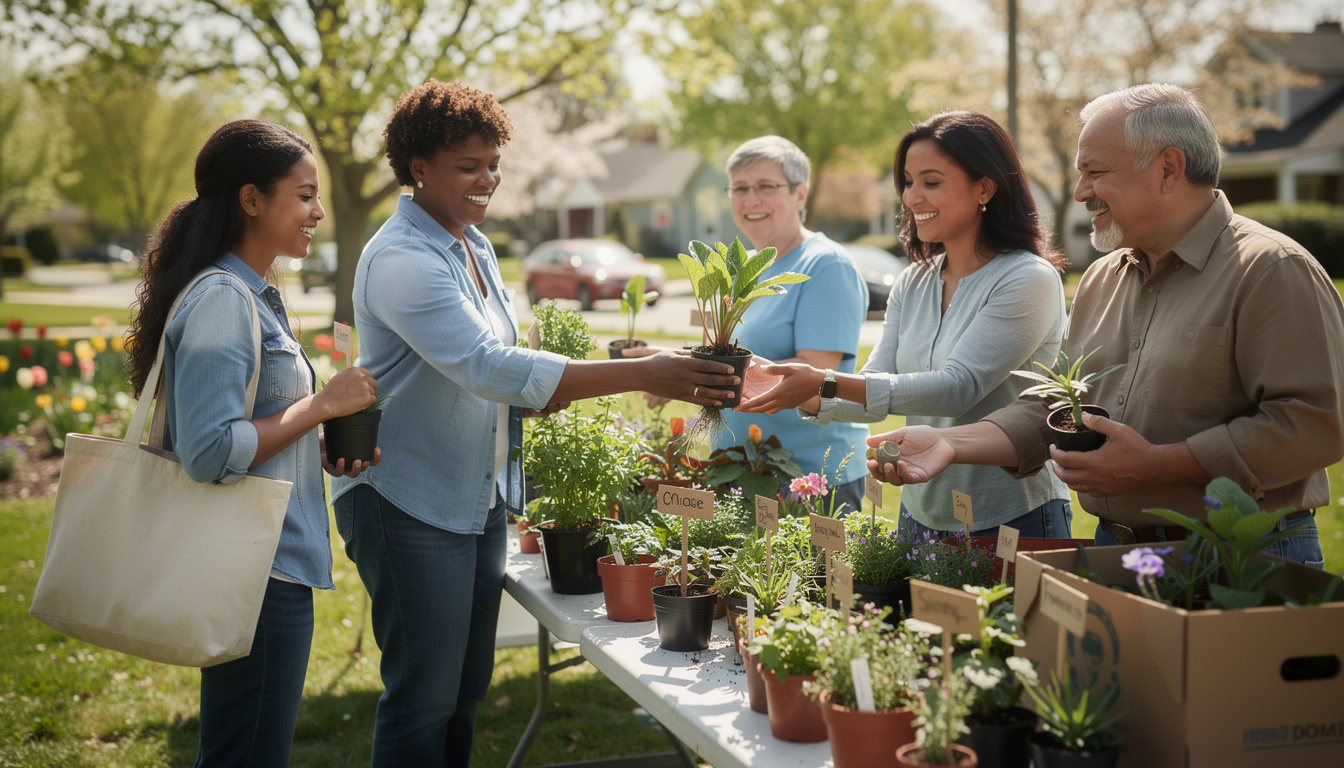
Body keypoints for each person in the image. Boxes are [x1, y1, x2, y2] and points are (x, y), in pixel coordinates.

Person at [329, 80, 739, 768]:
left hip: (475, 494)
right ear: (418, 166)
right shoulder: (403, 256)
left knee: (464, 687)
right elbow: (487, 365)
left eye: (493, 164)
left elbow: (501, 371)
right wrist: (645, 373)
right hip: (407, 500)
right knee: (423, 696)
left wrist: (540, 394)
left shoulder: (472, 246)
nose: (487, 180)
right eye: (468, 166)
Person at [868, 84, 1344, 566]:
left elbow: (1314, 424)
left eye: (1095, 173)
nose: (1080, 193)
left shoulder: (1271, 268)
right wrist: (949, 442)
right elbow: (1055, 402)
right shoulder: (1102, 279)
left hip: (1240, 556)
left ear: (1168, 169)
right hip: (1115, 550)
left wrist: (1155, 467)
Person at [125, 119, 380, 767]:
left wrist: (313, 440)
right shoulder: (222, 300)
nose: (318, 212)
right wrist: (323, 403)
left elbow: (251, 424)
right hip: (256, 575)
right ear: (250, 199)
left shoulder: (253, 295)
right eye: (303, 195)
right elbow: (211, 453)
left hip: (266, 566)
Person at [739, 112, 1073, 540]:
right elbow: (875, 387)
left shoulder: (1027, 279)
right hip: (920, 511)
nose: (912, 197)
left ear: (984, 187)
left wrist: (822, 379)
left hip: (1013, 515)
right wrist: (794, 389)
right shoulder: (914, 280)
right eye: (908, 182)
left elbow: (957, 388)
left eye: (931, 182)